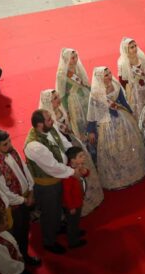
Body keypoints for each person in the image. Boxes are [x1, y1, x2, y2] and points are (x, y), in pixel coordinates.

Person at [38, 89, 104, 216]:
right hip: (62, 148)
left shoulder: (60, 109)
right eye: (55, 98)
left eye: (58, 96)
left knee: (83, 164)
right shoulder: (48, 119)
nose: (59, 99)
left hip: (70, 141)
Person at [85, 66, 145, 190]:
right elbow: (92, 113)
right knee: (113, 150)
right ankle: (118, 176)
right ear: (100, 78)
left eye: (109, 73)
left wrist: (130, 114)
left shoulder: (116, 85)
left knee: (129, 145)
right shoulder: (96, 93)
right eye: (105, 75)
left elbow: (123, 102)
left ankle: (133, 172)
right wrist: (91, 130)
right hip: (106, 124)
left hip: (123, 119)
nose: (109, 76)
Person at [24, 109, 75, 254]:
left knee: (58, 206)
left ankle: (58, 227)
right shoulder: (34, 146)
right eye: (48, 119)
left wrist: (73, 153)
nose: (52, 121)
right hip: (47, 185)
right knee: (49, 213)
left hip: (59, 176)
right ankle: (49, 241)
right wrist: (73, 172)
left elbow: (63, 142)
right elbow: (52, 167)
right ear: (40, 125)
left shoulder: (49, 129)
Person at [0, 130, 40, 265]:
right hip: (15, 206)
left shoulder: (12, 151)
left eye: (10, 141)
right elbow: (5, 193)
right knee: (19, 234)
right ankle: (22, 261)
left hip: (26, 196)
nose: (10, 145)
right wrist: (25, 200)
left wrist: (31, 189)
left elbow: (25, 169)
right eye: (5, 144)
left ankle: (25, 256)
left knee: (25, 229)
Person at [61, 146, 90, 250]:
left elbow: (86, 174)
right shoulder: (68, 174)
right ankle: (73, 242)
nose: (84, 158)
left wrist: (84, 170)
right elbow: (66, 193)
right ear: (73, 160)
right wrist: (71, 207)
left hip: (78, 200)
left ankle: (76, 232)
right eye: (80, 156)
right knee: (72, 223)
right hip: (72, 205)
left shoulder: (79, 167)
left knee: (76, 220)